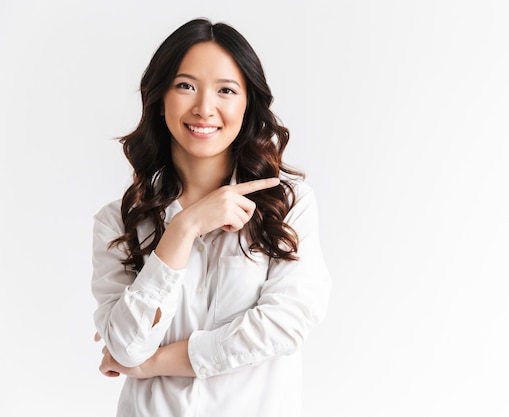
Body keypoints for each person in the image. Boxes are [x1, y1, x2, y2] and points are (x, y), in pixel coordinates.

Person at [91, 17, 331, 417]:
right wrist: (184, 229)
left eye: (225, 90)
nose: (204, 108)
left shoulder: (287, 206)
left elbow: (285, 325)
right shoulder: (118, 222)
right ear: (160, 97)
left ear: (247, 103)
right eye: (186, 86)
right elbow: (125, 346)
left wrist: (153, 364)